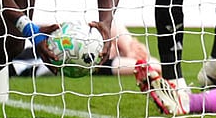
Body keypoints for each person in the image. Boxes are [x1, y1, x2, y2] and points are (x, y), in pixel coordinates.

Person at [9, 21, 156, 78]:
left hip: (17, 61)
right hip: (17, 58)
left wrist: (130, 47)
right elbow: (153, 65)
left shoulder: (88, 60)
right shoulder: (89, 53)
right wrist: (130, 46)